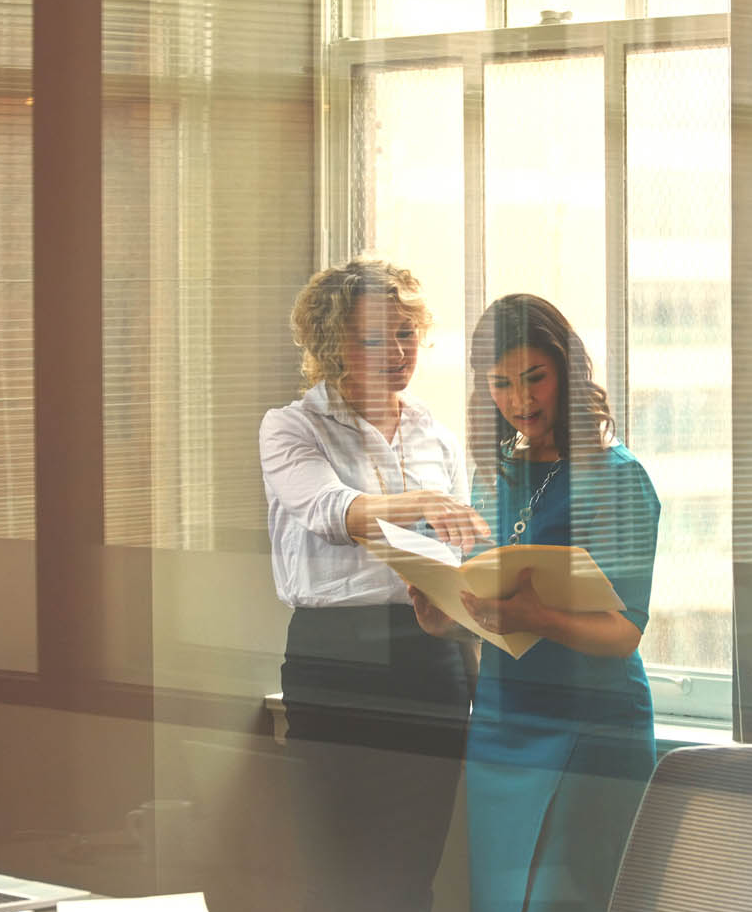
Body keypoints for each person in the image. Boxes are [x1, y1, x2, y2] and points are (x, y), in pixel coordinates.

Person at [411, 293, 661, 912]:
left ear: (567, 373)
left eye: (534, 378)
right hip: (502, 721)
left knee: (561, 901)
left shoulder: (616, 476)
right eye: (501, 384)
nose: (519, 401)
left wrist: (538, 618)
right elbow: (493, 613)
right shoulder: (493, 475)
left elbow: (625, 631)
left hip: (591, 726)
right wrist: (446, 616)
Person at [258, 258, 489, 912]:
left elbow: (460, 565)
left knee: (412, 871)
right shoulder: (292, 427)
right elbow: (333, 513)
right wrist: (419, 502)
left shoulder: (437, 437)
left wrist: (457, 636)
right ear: (333, 346)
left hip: (429, 655)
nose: (395, 353)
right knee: (338, 872)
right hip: (335, 657)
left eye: (406, 336)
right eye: (372, 338)